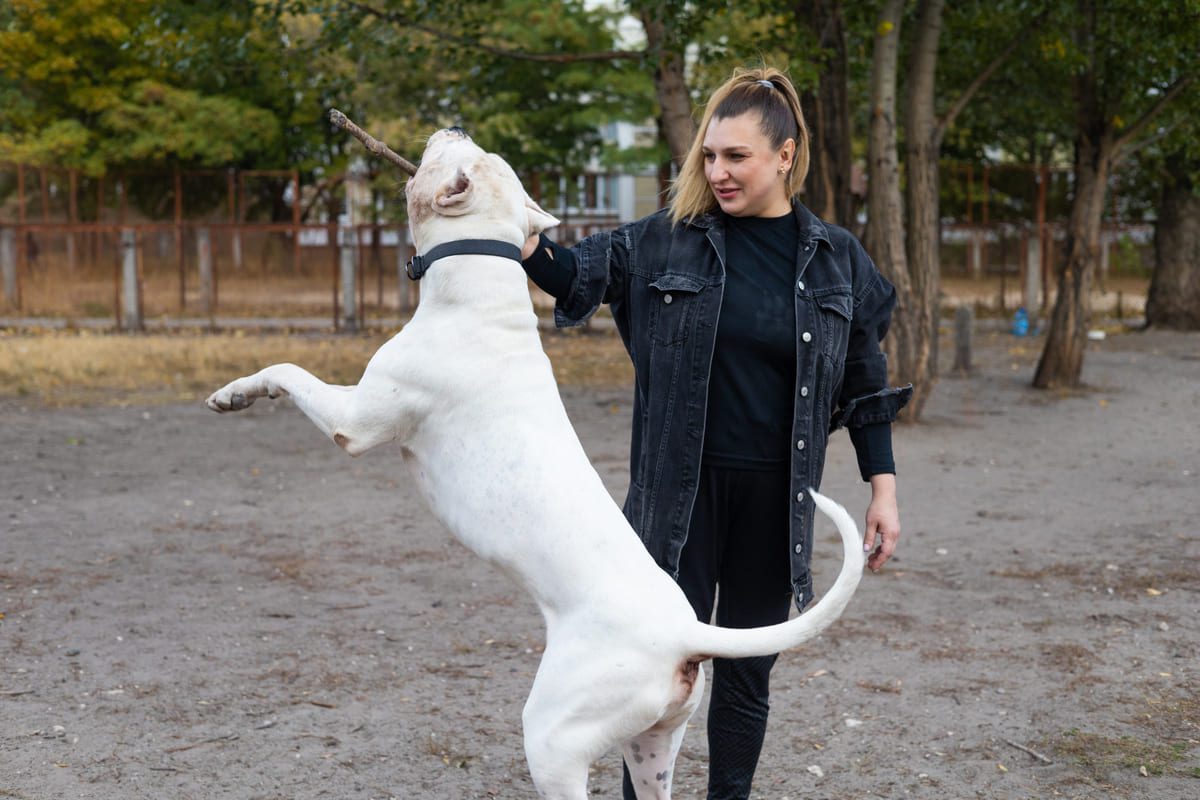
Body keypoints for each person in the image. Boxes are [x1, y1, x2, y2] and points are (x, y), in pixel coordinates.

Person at [520, 66, 912, 800]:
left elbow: (866, 383)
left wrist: (881, 490)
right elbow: (571, 275)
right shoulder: (664, 242)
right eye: (709, 155)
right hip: (679, 502)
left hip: (776, 500)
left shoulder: (837, 260)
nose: (717, 171)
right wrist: (505, 224)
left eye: (737, 156)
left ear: (786, 155)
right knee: (657, 673)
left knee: (746, 676)